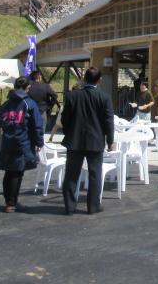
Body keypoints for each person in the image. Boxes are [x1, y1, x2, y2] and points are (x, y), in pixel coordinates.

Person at [61, 67, 115, 215]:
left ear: (84, 79)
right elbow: (108, 121)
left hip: (74, 140)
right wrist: (110, 140)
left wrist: (69, 133)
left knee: (71, 174)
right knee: (95, 174)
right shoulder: (104, 97)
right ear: (100, 80)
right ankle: (93, 206)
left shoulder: (72, 96)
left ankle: (69, 206)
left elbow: (65, 119)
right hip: (95, 140)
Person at [0, 76, 44, 213]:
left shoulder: (7, 103)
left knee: (8, 172)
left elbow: (0, 120)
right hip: (23, 140)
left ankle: (8, 201)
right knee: (17, 172)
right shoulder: (29, 103)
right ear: (28, 87)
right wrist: (39, 141)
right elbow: (37, 124)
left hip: (7, 140)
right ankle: (12, 203)